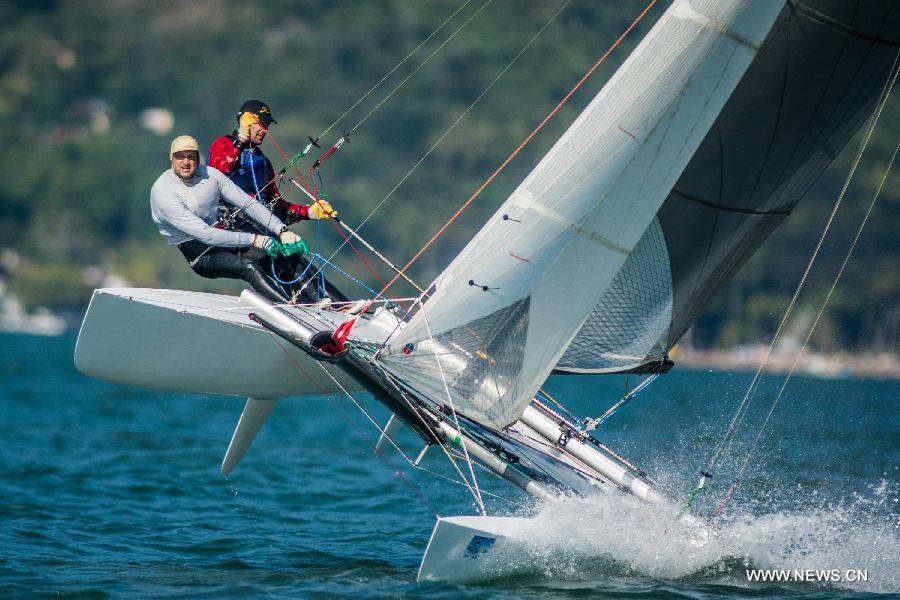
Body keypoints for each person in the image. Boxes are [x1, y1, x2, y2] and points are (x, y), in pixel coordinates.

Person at [208, 99, 348, 303]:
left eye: (267, 125)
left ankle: (340, 305)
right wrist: (240, 138)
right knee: (281, 257)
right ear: (245, 121)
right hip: (231, 231)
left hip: (259, 226)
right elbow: (220, 172)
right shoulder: (223, 145)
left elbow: (276, 205)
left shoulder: (263, 161)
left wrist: (309, 212)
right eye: (261, 123)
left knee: (298, 259)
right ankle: (305, 304)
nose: (265, 130)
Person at [150, 134, 303, 303]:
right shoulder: (163, 192)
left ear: (197, 158)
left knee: (281, 255)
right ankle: (287, 307)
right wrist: (255, 240)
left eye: (191, 157)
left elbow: (247, 203)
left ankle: (322, 302)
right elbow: (206, 234)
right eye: (180, 157)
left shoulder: (211, 175)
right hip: (201, 253)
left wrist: (281, 230)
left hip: (224, 237)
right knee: (249, 268)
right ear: (171, 159)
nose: (186, 162)